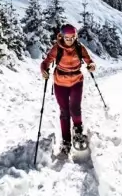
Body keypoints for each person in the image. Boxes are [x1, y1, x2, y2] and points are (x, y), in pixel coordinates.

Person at [40, 23, 96, 153]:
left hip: (77, 81)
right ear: (62, 36)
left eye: (72, 37)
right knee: (64, 111)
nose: (70, 40)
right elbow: (46, 62)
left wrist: (91, 65)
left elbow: (89, 60)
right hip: (60, 83)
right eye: (67, 37)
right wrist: (44, 70)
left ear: (75, 37)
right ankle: (66, 140)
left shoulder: (79, 48)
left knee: (75, 108)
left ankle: (78, 131)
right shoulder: (57, 48)